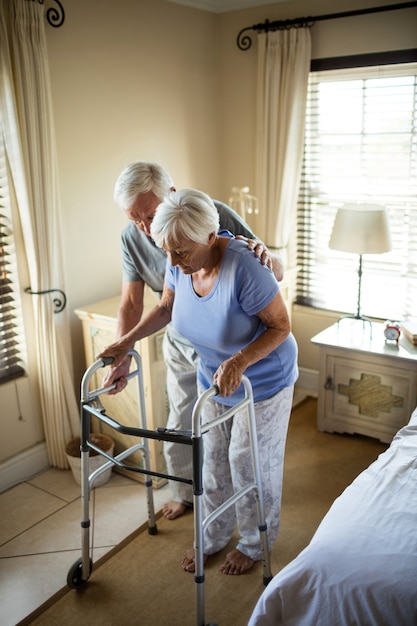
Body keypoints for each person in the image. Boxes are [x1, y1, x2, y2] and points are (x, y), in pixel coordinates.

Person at [98, 188, 298, 576]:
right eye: (167, 252)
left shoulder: (246, 266)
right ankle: (214, 533)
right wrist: (126, 341)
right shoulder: (178, 258)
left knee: (248, 461)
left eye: (181, 253)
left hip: (264, 379)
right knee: (212, 461)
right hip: (215, 376)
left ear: (210, 237)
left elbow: (281, 326)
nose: (172, 261)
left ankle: (256, 543)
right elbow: (167, 306)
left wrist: (239, 361)